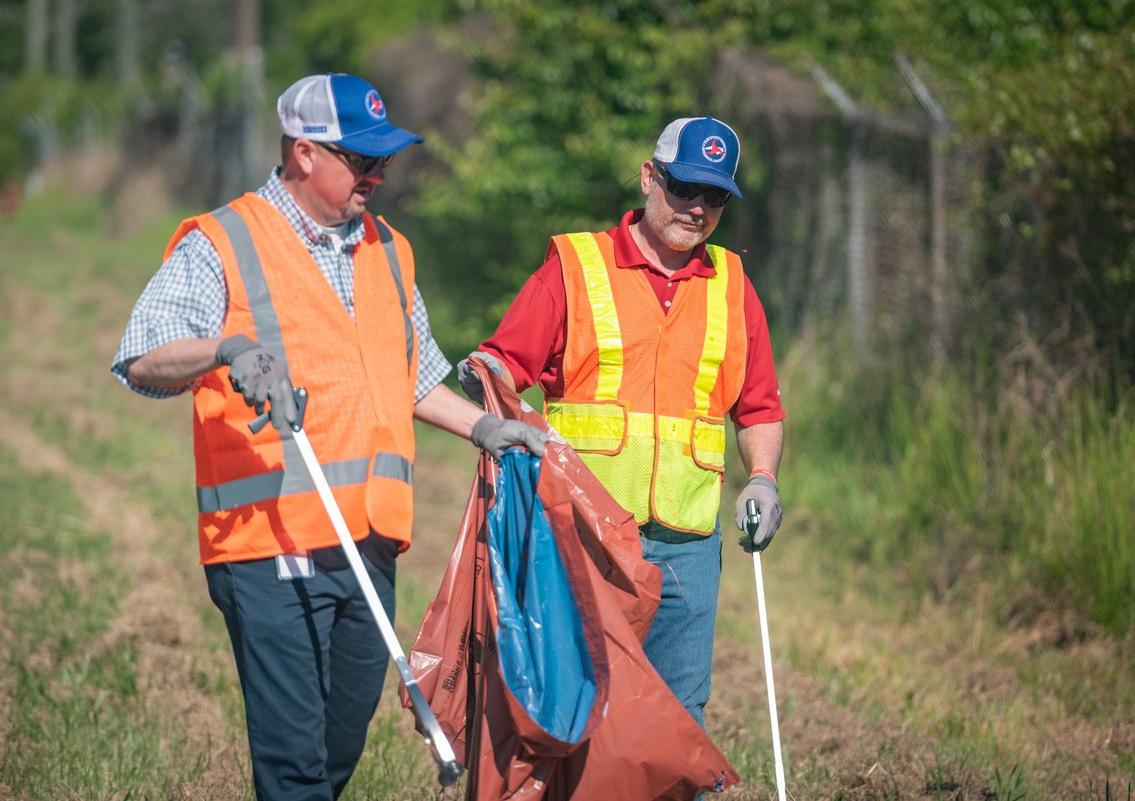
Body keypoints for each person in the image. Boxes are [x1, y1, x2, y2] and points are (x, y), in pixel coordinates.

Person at [111, 72, 546, 801]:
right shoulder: (226, 239)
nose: (377, 175)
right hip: (267, 541)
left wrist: (488, 427)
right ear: (304, 152)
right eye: (361, 160)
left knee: (336, 749)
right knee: (296, 767)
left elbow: (413, 377)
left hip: (368, 540)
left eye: (384, 161)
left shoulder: (390, 250)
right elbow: (142, 356)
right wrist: (226, 351)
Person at [457, 116, 785, 730]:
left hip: (688, 544)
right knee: (580, 712)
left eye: (714, 197)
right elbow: (499, 364)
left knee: (676, 722)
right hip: (582, 535)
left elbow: (759, 407)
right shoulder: (577, 267)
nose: (697, 208)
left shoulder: (735, 288)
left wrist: (763, 477)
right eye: (684, 187)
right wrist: (485, 385)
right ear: (648, 177)